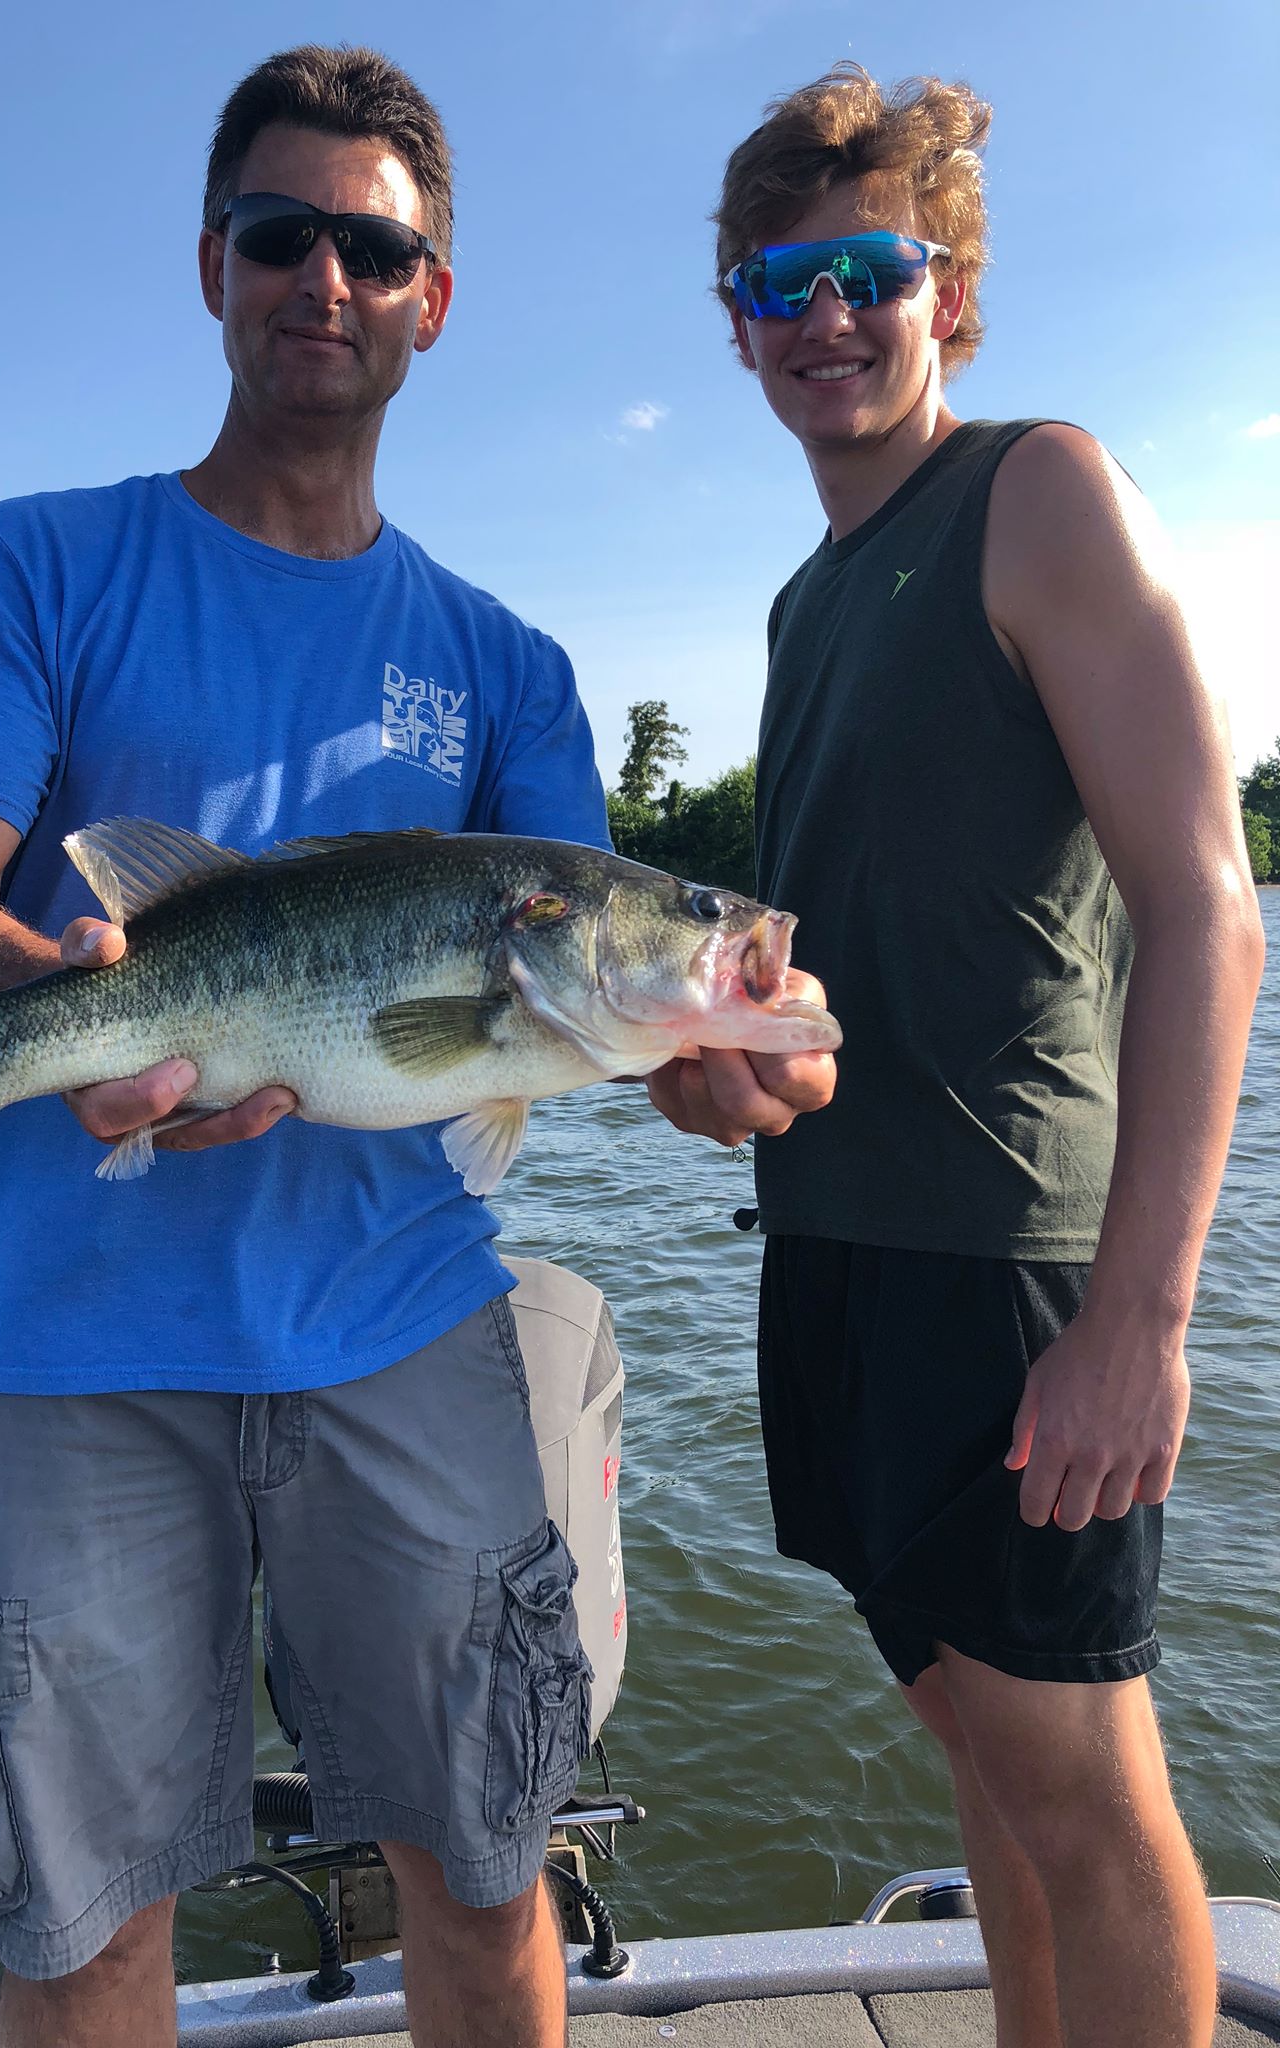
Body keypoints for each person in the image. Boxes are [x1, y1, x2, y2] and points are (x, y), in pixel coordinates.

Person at [0, 45, 673, 2048]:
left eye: (372, 246)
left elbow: (593, 1000)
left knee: (489, 1875)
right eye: (280, 233)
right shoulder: (34, 562)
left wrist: (727, 1059)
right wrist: (64, 996)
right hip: (79, 1354)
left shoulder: (509, 666)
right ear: (212, 265)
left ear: (434, 296)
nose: (326, 277)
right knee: (74, 1926)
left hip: (408, 1337)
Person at [646, 63, 1266, 2048]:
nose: (825, 316)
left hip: (1016, 1275)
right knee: (982, 1762)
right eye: (779, 281)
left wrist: (1140, 1319)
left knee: (1085, 1793)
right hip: (835, 1254)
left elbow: (1206, 906)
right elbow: (831, 990)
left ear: (950, 297)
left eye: (867, 270)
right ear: (736, 322)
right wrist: (717, 1068)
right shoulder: (805, 599)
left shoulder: (1038, 489)